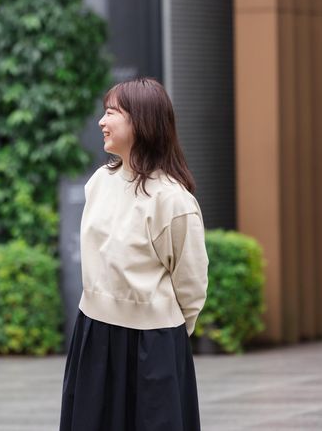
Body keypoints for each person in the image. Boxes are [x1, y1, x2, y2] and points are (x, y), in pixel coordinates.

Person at [60, 77, 208, 431]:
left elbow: (191, 285)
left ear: (141, 122)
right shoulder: (100, 181)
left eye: (112, 112)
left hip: (153, 343)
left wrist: (165, 336)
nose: (102, 121)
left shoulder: (173, 200)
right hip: (94, 333)